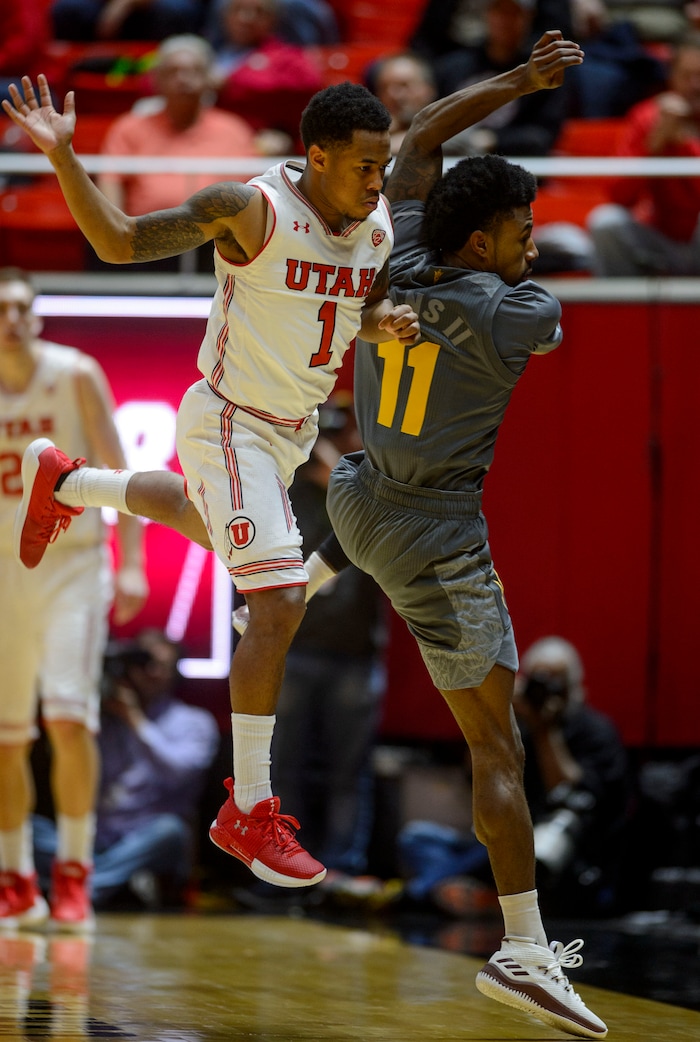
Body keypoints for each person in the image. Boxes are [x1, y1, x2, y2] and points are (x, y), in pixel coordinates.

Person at [2, 74, 420, 892]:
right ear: (317, 156)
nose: (379, 183)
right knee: (281, 599)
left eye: (386, 166)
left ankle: (71, 482)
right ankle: (250, 809)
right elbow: (118, 242)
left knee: (223, 537)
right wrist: (62, 154)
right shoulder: (250, 209)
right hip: (229, 419)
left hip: (289, 435)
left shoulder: (372, 227)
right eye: (365, 167)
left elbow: (341, 310)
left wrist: (381, 322)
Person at [324, 31, 609, 1039]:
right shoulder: (511, 310)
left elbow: (415, 144)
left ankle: (300, 561)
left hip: (355, 500)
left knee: (338, 479)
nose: (534, 239)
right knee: (495, 744)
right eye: (522, 225)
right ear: (482, 236)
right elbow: (528, 293)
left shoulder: (401, 250)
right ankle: (525, 951)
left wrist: (515, 85)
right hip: (433, 536)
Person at [0, 267, 148, 932]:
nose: (12, 317)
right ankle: (14, 879)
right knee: (7, 739)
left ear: (37, 315)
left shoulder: (76, 373)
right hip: (5, 570)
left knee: (68, 719)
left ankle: (74, 874)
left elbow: (125, 475)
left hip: (72, 565)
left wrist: (134, 563)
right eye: (2, 307)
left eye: (22, 306)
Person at [398, 636, 631, 919]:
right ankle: (477, 896)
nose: (545, 693)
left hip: (560, 852)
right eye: (538, 682)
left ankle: (425, 891)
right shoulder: (516, 723)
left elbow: (568, 795)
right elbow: (478, 783)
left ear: (573, 686)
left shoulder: (595, 731)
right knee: (418, 838)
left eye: (555, 683)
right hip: (502, 840)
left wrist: (547, 731)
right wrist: (496, 714)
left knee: (517, 849)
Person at [270, 393, 387, 883]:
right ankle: (286, 866)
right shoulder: (293, 483)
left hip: (354, 653)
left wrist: (335, 463)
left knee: (348, 770)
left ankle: (344, 870)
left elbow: (366, 493)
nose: (339, 442)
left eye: (347, 432)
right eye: (331, 432)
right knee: (285, 765)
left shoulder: (371, 482)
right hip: (294, 646)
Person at [33, 629, 220, 910]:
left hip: (147, 836)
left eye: (161, 666)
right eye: (143, 664)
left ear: (175, 673)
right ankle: (100, 880)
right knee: (27, 829)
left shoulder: (194, 721)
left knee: (170, 831)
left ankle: (83, 888)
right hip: (97, 835)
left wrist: (135, 719)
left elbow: (178, 774)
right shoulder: (104, 722)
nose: (152, 672)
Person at [95, 33, 259, 272]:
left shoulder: (234, 130)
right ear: (157, 79)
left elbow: (254, 195)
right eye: (173, 71)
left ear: (209, 78)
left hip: (218, 249)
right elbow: (110, 185)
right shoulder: (129, 127)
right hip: (145, 243)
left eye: (193, 71)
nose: (183, 79)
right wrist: (117, 237)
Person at [587, 34, 700, 276]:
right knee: (606, 222)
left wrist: (685, 146)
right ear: (671, 77)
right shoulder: (647, 116)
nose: (695, 85)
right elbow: (618, 195)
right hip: (660, 239)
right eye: (687, 76)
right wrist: (654, 144)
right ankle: (619, 311)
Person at [430, 0, 570, 158]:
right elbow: (431, 119)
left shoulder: (543, 72)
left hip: (511, 167)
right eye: (499, 12)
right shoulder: (453, 67)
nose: (506, 21)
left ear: (529, 18)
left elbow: (541, 136)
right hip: (450, 160)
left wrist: (492, 139)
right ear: (487, 15)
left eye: (514, 14)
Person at [209, 0, 324, 154]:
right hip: (212, 136)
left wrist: (233, 83)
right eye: (238, 10)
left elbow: (309, 84)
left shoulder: (288, 56)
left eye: (259, 12)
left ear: (273, 19)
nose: (246, 18)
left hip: (261, 139)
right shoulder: (210, 54)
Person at [50, 0, 203, 42]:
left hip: (148, 11)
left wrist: (124, 3)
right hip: (100, 8)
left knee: (178, 9)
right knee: (67, 9)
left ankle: (164, 65)